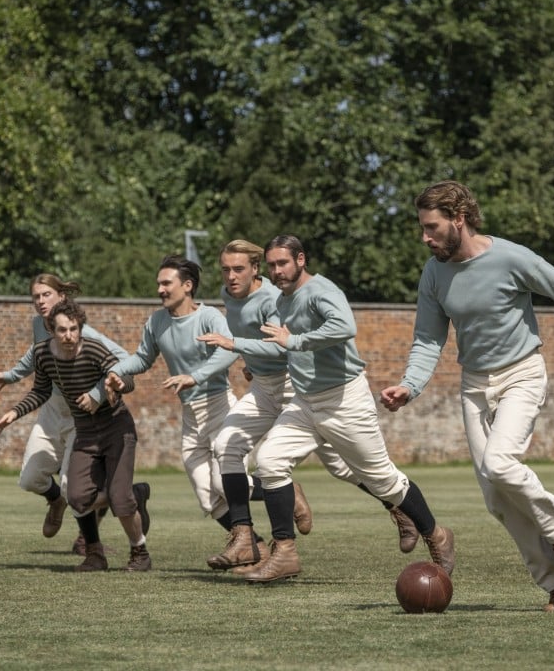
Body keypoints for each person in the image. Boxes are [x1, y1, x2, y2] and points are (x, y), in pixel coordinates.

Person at [380, 180, 554, 613]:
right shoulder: (434, 272)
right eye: (422, 228)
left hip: (522, 374)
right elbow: (428, 338)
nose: (425, 238)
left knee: (501, 464)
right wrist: (410, 385)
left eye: (432, 227)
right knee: (496, 497)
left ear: (458, 220)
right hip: (475, 385)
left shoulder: (512, 258)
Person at [244, 235, 454, 584]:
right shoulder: (282, 301)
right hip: (306, 401)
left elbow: (344, 327)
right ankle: (284, 553)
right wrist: (247, 353)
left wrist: (293, 341)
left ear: (300, 259)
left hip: (344, 400)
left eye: (282, 263)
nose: (276, 271)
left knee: (384, 481)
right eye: (271, 265)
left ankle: (436, 534)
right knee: (269, 461)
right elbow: (285, 348)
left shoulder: (322, 290)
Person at [199, 240, 418, 574]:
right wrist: (249, 359)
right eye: (225, 269)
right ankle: (244, 537)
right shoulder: (229, 295)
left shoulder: (274, 297)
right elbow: (253, 341)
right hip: (262, 388)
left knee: (342, 467)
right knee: (225, 445)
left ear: (256, 269)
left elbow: (287, 348)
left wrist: (241, 347)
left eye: (239, 269)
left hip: (295, 385)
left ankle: (398, 505)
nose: (230, 276)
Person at [0, 273, 149, 554]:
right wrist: (11, 377)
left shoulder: (84, 334)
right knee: (30, 479)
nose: (40, 301)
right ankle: (60, 502)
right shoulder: (41, 325)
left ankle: (93, 535)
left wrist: (100, 393)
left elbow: (124, 361)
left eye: (46, 295)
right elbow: (36, 357)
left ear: (62, 296)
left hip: (84, 415)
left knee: (73, 486)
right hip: (53, 409)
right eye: (36, 296)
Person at [106, 255, 246, 546]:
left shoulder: (208, 317)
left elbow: (229, 351)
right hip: (190, 415)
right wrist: (115, 372)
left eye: (166, 283)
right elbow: (143, 358)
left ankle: (287, 491)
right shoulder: (157, 321)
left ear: (187, 285)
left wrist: (194, 376)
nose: (160, 289)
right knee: (207, 497)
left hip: (220, 407)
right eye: (158, 284)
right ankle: (251, 546)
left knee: (223, 482)